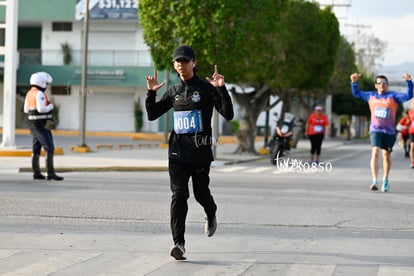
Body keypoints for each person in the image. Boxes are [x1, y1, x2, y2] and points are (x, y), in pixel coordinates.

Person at [145, 45, 234, 260]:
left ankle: (211, 212)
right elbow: (152, 115)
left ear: (193, 63)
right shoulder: (173, 91)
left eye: (185, 61)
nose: (181, 65)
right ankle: (179, 244)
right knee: (179, 194)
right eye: (177, 62)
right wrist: (151, 93)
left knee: (200, 193)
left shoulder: (206, 88)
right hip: (177, 152)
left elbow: (228, 114)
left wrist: (221, 89)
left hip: (200, 151)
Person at [350, 72, 412, 192]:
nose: (382, 85)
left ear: (387, 85)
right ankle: (374, 181)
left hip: (389, 132)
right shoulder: (371, 96)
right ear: (375, 85)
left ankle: (385, 180)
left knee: (386, 156)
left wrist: (409, 82)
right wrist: (354, 82)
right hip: (375, 129)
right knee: (375, 152)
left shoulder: (393, 96)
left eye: (384, 83)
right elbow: (356, 93)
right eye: (379, 83)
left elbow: (408, 96)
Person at [23, 72, 64, 181]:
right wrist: (50, 106)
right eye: (45, 83)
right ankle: (50, 173)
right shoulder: (39, 94)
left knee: (36, 148)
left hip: (33, 125)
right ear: (41, 83)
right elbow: (41, 109)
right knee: (49, 147)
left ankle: (37, 173)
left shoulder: (29, 93)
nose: (46, 85)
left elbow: (26, 110)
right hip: (41, 125)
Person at [407, 100, 414, 168]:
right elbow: (408, 121)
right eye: (412, 103)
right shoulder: (410, 112)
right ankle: (412, 162)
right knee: (412, 147)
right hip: (412, 132)